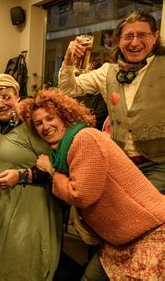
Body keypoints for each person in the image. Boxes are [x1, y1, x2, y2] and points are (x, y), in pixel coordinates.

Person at [21, 89, 165, 280]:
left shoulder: (84, 139)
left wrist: (51, 171)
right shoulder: (62, 152)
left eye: (50, 118)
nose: (45, 126)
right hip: (119, 239)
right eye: (38, 123)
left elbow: (81, 195)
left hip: (147, 233)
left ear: (64, 117)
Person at [58, 10, 165, 194]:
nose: (134, 42)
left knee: (144, 212)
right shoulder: (107, 71)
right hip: (119, 162)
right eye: (128, 36)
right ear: (119, 41)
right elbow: (68, 89)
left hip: (158, 164)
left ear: (155, 37)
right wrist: (69, 61)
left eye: (142, 35)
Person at [0, 75, 63, 281]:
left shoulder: (29, 126)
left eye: (6, 97)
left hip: (28, 215)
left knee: (21, 269)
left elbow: (56, 167)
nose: (0, 104)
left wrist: (21, 175)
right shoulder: (3, 126)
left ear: (17, 96)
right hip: (4, 210)